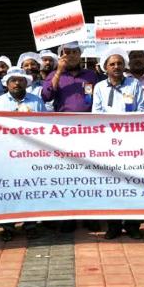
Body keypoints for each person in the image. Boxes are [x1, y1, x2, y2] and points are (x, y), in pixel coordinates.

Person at [41, 41, 99, 233]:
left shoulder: (91, 75)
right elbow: (47, 96)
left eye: (75, 52)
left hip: (89, 132)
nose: (72, 56)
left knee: (90, 175)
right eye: (68, 53)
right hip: (64, 133)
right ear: (61, 55)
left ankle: (90, 215)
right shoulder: (53, 75)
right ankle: (68, 216)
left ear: (80, 55)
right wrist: (59, 71)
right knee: (67, 175)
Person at [93, 47, 144, 239]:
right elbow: (96, 114)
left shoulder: (134, 84)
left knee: (133, 183)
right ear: (105, 67)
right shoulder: (99, 87)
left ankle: (132, 226)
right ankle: (113, 226)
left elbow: (141, 110)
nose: (116, 66)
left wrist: (127, 127)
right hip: (108, 143)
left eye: (119, 63)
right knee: (111, 184)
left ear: (124, 66)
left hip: (131, 141)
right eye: (112, 64)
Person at [0, 67, 46, 241]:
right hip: (6, 155)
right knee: (9, 190)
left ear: (26, 83)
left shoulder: (36, 102)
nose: (16, 83)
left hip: (30, 155)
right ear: (6, 83)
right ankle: (8, 226)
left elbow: (46, 126)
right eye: (13, 80)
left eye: (20, 80)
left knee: (30, 190)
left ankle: (30, 225)